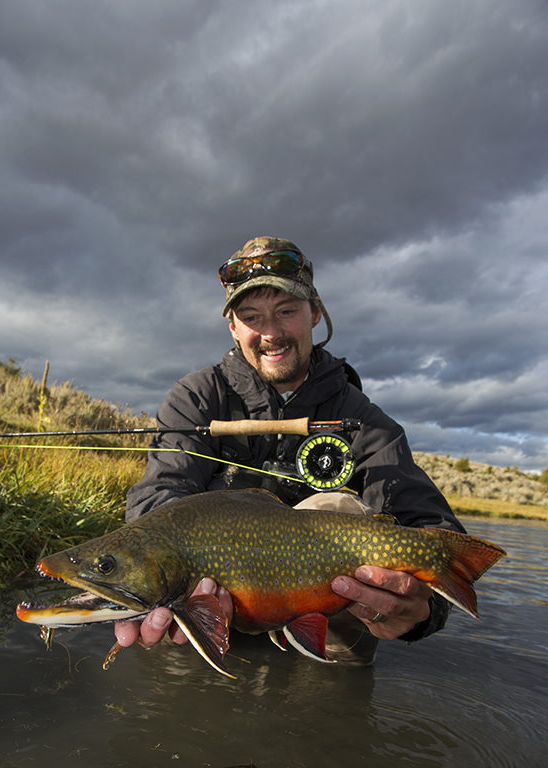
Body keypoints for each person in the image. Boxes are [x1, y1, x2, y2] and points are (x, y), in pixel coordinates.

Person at [117, 236, 465, 664]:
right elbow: (159, 496)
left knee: (339, 506)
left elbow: (431, 528)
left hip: (330, 614)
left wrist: (422, 609)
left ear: (315, 312)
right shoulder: (197, 398)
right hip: (210, 609)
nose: (270, 333)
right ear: (233, 326)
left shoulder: (365, 421)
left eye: (286, 311)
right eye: (251, 316)